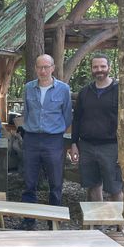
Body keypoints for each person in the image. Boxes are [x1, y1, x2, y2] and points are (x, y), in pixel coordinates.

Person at [20, 54, 73, 228]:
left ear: (53, 67)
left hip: (53, 141)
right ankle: (29, 221)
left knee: (56, 182)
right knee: (29, 182)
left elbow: (67, 116)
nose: (43, 71)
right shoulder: (28, 88)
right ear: (35, 68)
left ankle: (53, 221)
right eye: (39, 67)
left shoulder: (63, 89)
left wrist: (55, 130)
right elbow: (26, 113)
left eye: (46, 67)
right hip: (31, 139)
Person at [69, 54, 123, 202]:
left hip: (111, 146)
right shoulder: (85, 92)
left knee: (115, 187)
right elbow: (77, 118)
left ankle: (120, 224)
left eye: (102, 66)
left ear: (109, 68)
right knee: (92, 185)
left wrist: (123, 148)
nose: (99, 70)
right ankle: (98, 222)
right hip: (87, 145)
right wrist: (74, 143)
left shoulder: (120, 90)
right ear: (91, 69)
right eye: (95, 67)